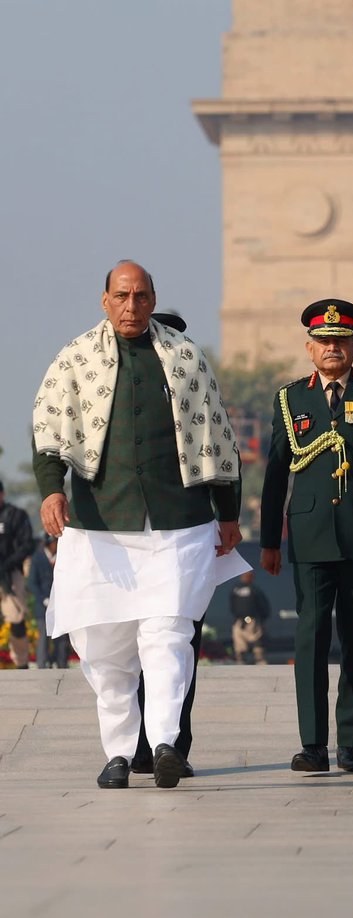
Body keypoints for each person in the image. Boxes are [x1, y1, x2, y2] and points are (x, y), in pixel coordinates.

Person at [32, 260, 247, 790]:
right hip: (99, 523)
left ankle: (167, 742)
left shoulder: (186, 357)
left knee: (169, 635)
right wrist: (51, 491)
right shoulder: (75, 359)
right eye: (122, 296)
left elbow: (218, 440)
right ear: (105, 299)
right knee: (105, 650)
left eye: (141, 296)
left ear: (153, 300)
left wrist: (231, 515)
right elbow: (49, 432)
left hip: (177, 523)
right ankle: (119, 752)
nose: (132, 306)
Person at [259, 298, 353, 775]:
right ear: (310, 348)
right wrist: (269, 540)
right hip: (310, 535)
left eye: (341, 341)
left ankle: (351, 744)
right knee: (311, 639)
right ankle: (312, 745)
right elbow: (276, 474)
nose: (332, 349)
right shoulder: (291, 400)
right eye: (324, 342)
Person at [129, 312, 204, 781]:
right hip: (128, 541)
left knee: (178, 647)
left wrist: (227, 519)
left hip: (183, 537)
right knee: (131, 649)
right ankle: (134, 746)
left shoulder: (197, 391)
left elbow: (221, 457)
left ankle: (171, 746)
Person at [0, 480, 34, 669]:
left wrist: (7, 563)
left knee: (17, 620)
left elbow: (27, 544)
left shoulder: (14, 516)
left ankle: (21, 663)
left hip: (10, 574)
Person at [27, 534, 70, 668]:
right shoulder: (37, 559)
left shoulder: (63, 557)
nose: (56, 545)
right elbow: (32, 583)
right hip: (43, 605)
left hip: (61, 604)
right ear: (48, 544)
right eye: (54, 542)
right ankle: (42, 665)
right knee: (44, 637)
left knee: (62, 637)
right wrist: (43, 598)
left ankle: (62, 664)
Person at [230, 571, 271, 664]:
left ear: (252, 577)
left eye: (248, 576)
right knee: (239, 640)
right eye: (243, 575)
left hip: (253, 620)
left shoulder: (255, 590)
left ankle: (259, 659)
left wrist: (262, 619)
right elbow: (232, 604)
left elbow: (264, 605)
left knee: (256, 640)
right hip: (239, 620)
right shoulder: (236, 589)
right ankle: (240, 659)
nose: (245, 577)